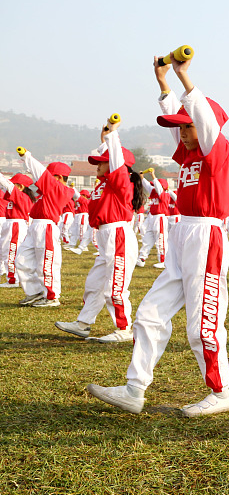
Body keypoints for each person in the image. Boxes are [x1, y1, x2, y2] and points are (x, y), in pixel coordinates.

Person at [87, 51, 229, 417]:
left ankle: (221, 393)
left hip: (206, 236)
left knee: (202, 323)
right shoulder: (189, 155)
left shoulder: (218, 152)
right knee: (150, 314)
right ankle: (134, 389)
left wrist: (185, 77)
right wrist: (163, 83)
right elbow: (179, 119)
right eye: (181, 128)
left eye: (189, 128)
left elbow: (202, 117)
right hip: (181, 234)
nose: (184, 133)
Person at [55, 119, 145, 342]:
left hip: (118, 235)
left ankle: (124, 330)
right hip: (106, 236)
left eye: (101, 163)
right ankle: (83, 324)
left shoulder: (120, 181)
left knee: (115, 287)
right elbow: (109, 155)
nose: (97, 165)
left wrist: (113, 136)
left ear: (116, 165)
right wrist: (104, 137)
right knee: (94, 283)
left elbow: (115, 159)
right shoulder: (104, 182)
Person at [14, 149, 74, 307]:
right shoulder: (49, 189)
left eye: (50, 175)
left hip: (45, 226)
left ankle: (51, 296)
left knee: (46, 263)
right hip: (35, 226)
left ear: (58, 178)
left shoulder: (58, 189)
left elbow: (39, 172)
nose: (43, 179)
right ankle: (35, 292)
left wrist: (27, 157)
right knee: (21, 260)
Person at [0, 172, 33, 288]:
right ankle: (12, 277)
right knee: (6, 251)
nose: (10, 186)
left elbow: (6, 184)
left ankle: (13, 279)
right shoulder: (16, 196)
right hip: (11, 224)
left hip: (15, 225)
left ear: (21, 187)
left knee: (10, 252)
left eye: (14, 184)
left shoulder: (21, 196)